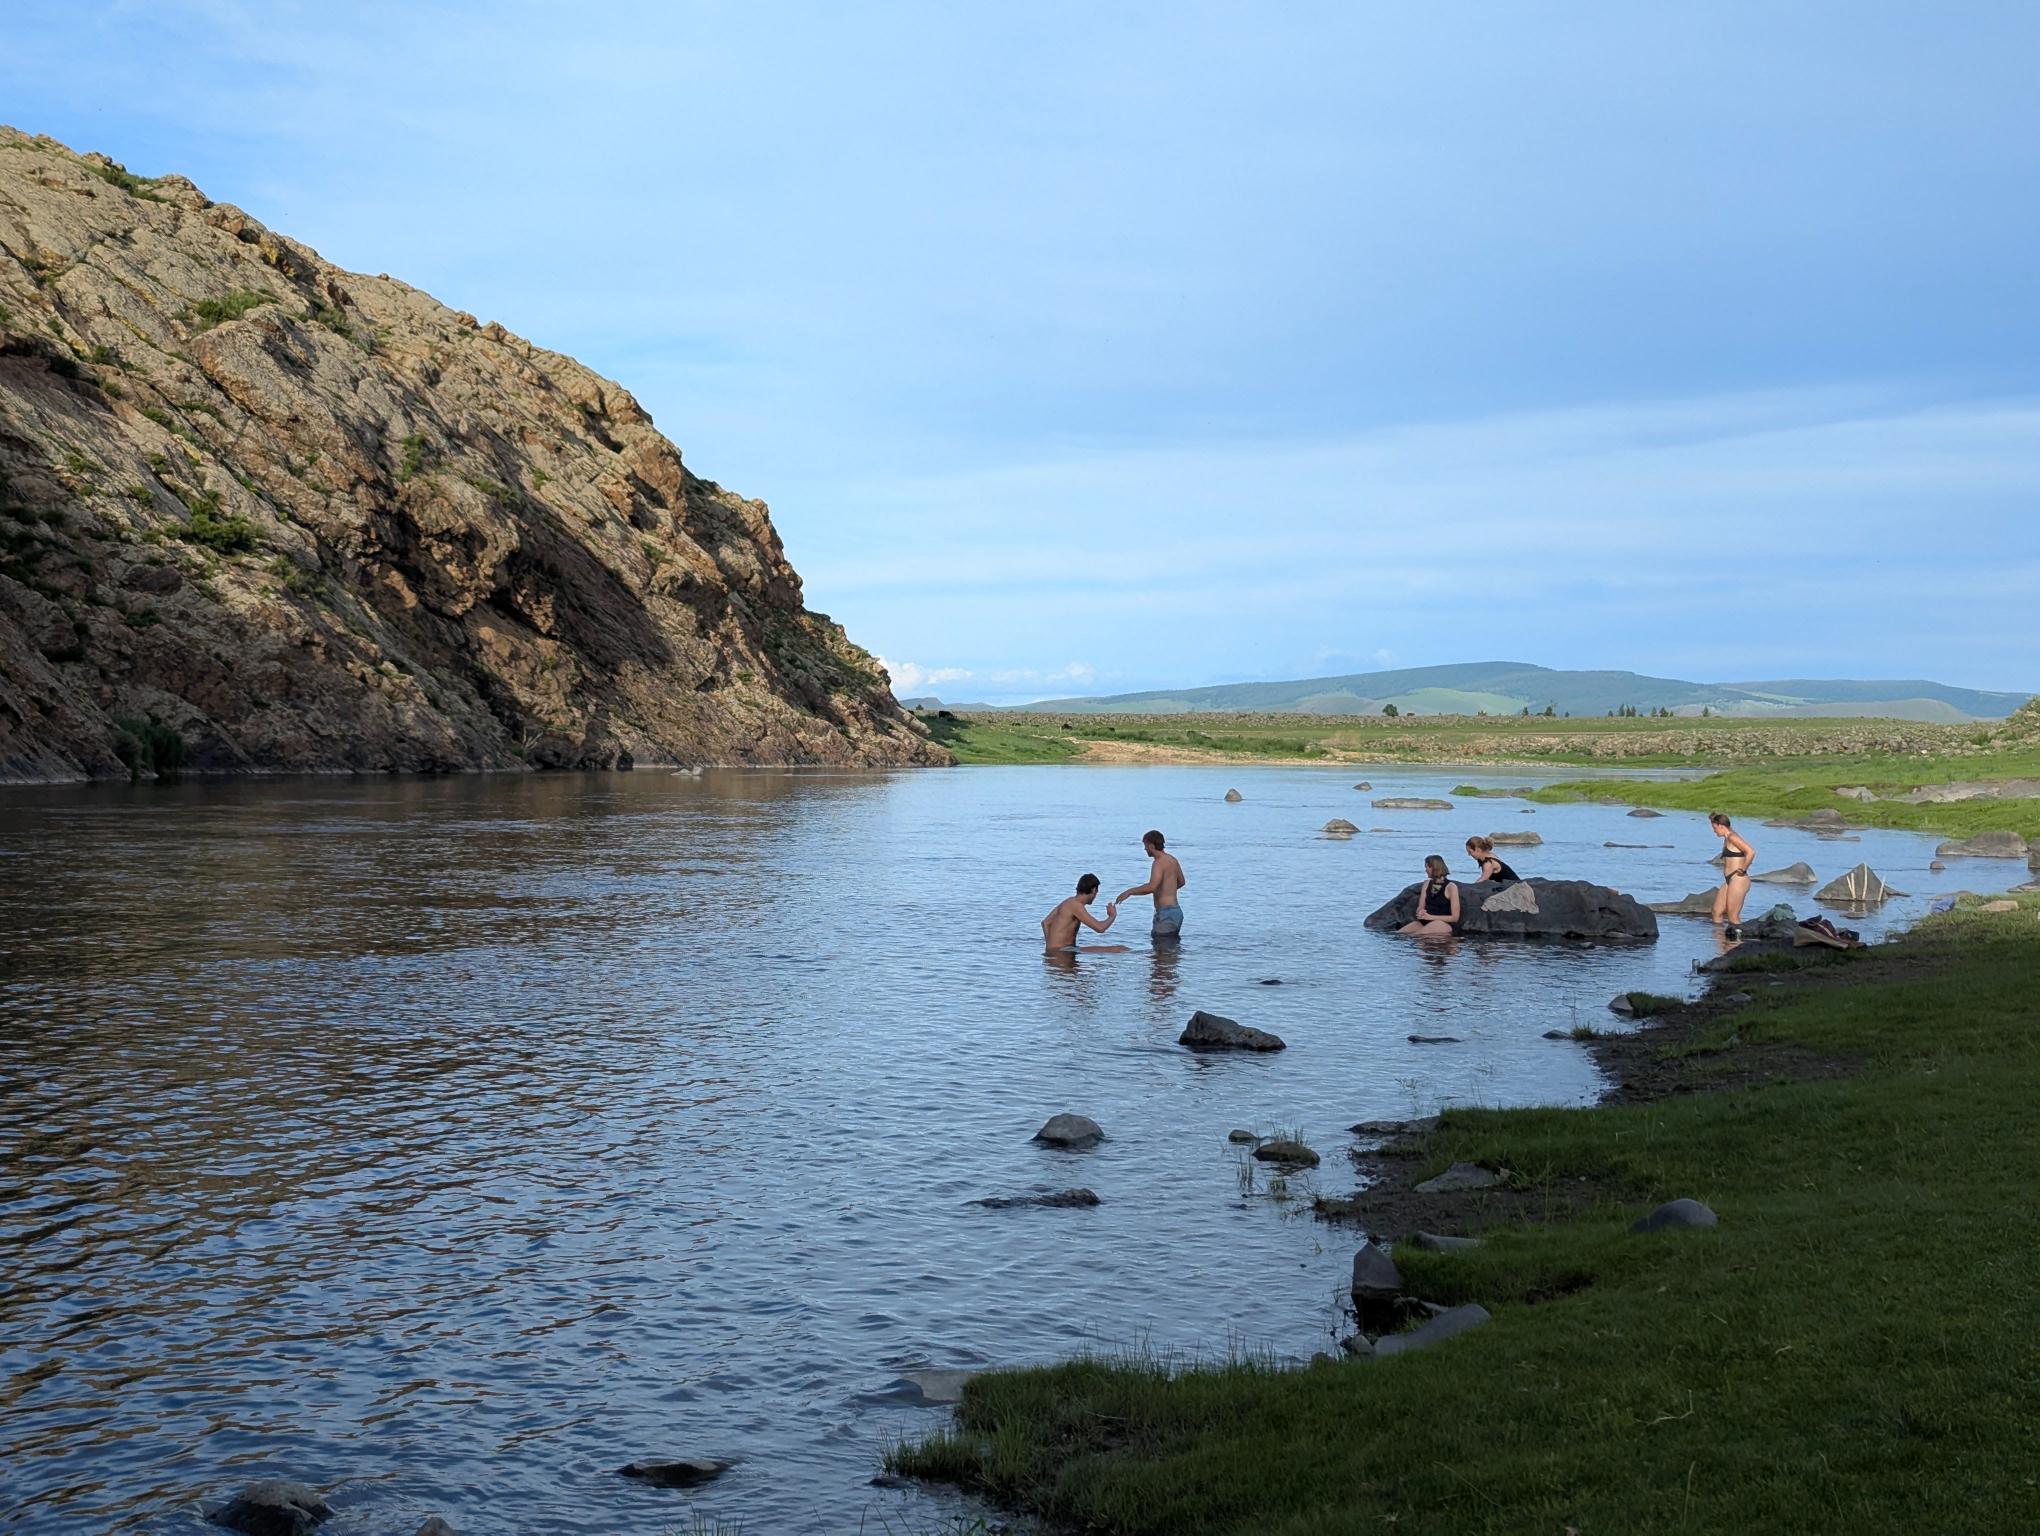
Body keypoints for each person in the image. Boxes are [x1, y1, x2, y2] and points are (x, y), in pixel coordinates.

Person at [1115, 829, 1187, 940]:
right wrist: (1167, 890)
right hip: (1176, 912)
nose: (1145, 849)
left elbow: (1151, 887)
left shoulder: (1158, 863)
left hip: (1166, 914)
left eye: (1146, 845)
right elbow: (1181, 882)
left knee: (1162, 949)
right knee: (1170, 950)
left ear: (1152, 846)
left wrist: (1129, 892)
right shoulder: (1173, 860)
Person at [1042, 873, 1119, 951]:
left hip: (1062, 950)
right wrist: (1112, 916)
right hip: (1062, 952)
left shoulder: (1069, 901)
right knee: (1118, 949)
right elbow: (1100, 928)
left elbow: (1045, 922)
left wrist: (1050, 947)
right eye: (1096, 893)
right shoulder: (1076, 905)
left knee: (1116, 949)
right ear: (1093, 890)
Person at [1710, 813, 1755, 935]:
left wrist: (1744, 868)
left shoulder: (1732, 837)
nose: (1714, 832)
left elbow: (1750, 851)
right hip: (1729, 880)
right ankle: (1720, 944)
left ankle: (1737, 946)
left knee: (1733, 916)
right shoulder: (1726, 838)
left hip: (1738, 879)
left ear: (1720, 825)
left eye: (1714, 828)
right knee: (1716, 912)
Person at [1399, 855, 1460, 938]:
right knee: (1399, 935)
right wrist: (1420, 912)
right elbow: (1421, 906)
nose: (1425, 870)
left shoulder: (1451, 887)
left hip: (1442, 923)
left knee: (1416, 936)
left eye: (1426, 867)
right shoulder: (1426, 884)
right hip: (1424, 921)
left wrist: (1430, 917)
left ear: (1432, 867)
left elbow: (1455, 917)